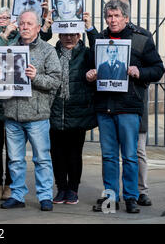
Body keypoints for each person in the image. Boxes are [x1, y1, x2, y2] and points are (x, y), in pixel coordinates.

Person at [86, 0, 164, 214]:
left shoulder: (141, 38)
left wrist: (140, 73)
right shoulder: (100, 39)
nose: (112, 20)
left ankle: (131, 196)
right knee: (109, 156)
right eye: (109, 16)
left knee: (130, 155)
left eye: (116, 16)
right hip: (105, 107)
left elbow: (158, 68)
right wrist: (90, 75)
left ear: (126, 18)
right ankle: (111, 197)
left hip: (129, 106)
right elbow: (92, 67)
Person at [0, 9, 61, 212]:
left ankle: (45, 196)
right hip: (12, 114)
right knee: (15, 159)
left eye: (29, 24)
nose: (24, 27)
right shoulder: (8, 49)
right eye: (22, 23)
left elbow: (56, 81)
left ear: (38, 28)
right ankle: (17, 195)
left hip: (37, 115)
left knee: (41, 158)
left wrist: (36, 76)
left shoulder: (48, 51)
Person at [49, 32, 97, 205]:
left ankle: (73, 189)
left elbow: (100, 47)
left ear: (79, 35)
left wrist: (90, 28)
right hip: (55, 111)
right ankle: (61, 188)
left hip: (78, 112)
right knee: (57, 153)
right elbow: (36, 39)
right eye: (64, 35)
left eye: (73, 35)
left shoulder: (87, 54)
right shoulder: (51, 52)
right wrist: (46, 22)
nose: (68, 38)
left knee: (74, 153)